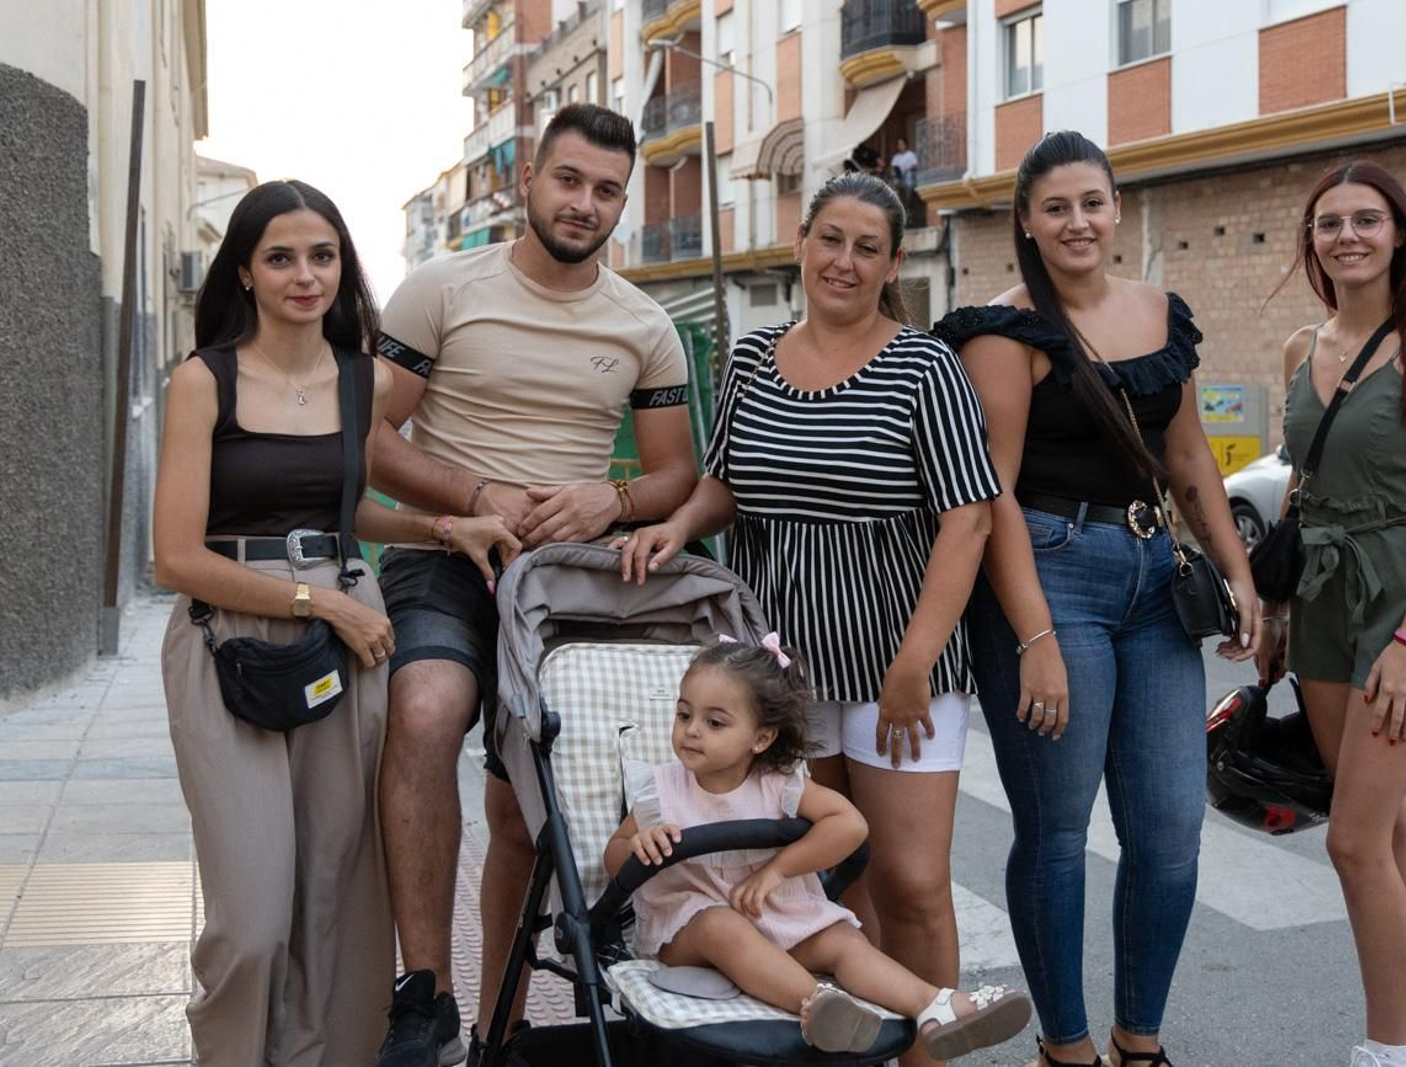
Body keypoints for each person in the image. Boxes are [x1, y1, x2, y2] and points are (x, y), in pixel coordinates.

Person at [620, 171, 1000, 1067]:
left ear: (893, 261)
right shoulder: (752, 358)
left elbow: (968, 519)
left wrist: (915, 660)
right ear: (802, 243)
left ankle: (930, 1045)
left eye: (868, 247)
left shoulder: (924, 367)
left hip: (897, 665)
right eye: (830, 239)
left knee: (910, 880)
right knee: (833, 883)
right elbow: (724, 485)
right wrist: (676, 524)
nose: (845, 260)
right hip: (776, 674)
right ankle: (853, 1048)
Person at [152, 180, 518, 1065]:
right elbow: (177, 557)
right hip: (231, 633)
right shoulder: (204, 382)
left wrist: (442, 524)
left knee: (339, 898)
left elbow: (343, 508)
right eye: (280, 256)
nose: (304, 275)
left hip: (348, 635)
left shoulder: (369, 379)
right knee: (250, 916)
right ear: (245, 271)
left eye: (322, 255)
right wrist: (323, 602)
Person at [369, 103, 699, 1066]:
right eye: (568, 180)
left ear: (622, 204)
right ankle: (423, 993)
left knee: (522, 809)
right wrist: (476, 493)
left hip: (567, 582)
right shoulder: (438, 288)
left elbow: (676, 475)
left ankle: (498, 1034)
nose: (583, 203)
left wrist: (612, 497)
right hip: (448, 553)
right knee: (428, 707)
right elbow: (372, 440)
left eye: (605, 190)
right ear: (528, 182)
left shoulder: (645, 325)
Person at [932, 131, 1261, 1067]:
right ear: (1028, 224)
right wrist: (1032, 632)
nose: (1077, 221)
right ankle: (1066, 1046)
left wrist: (1236, 573)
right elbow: (990, 491)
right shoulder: (1005, 328)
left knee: (1169, 831)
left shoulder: (1162, 310)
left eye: (1092, 202)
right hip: (1048, 567)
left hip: (1156, 578)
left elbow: (1190, 456)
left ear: (1116, 209)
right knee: (1060, 830)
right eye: (1055, 207)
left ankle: (1139, 1040)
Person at [1259, 161, 1406, 1067]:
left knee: (1351, 841)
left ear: (1398, 234)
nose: (1346, 235)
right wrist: (1274, 611)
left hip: (1401, 598)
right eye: (1328, 223)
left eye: (1366, 220)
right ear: (1312, 240)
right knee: (1387, 829)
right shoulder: (1298, 349)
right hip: (1318, 598)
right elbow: (1300, 487)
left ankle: (1391, 1050)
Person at [604, 638, 1033, 1060]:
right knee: (721, 926)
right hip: (689, 930)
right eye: (683, 714)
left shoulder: (778, 784)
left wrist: (778, 871)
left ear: (760, 738)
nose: (691, 730)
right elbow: (614, 855)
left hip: (776, 916)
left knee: (843, 942)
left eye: (714, 723)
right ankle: (816, 1004)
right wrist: (638, 844)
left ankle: (936, 1005)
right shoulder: (659, 790)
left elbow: (850, 825)